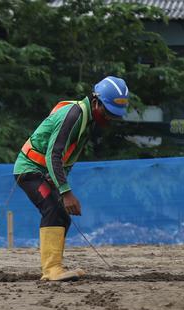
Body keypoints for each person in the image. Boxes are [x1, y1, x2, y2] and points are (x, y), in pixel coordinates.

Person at [13, 76, 129, 281]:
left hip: (44, 172)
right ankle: (51, 271)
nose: (110, 118)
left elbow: (65, 158)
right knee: (54, 208)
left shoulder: (87, 120)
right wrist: (66, 192)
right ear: (96, 101)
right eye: (108, 112)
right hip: (29, 170)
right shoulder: (75, 115)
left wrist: (58, 181)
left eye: (114, 115)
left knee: (62, 215)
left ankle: (54, 267)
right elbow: (53, 154)